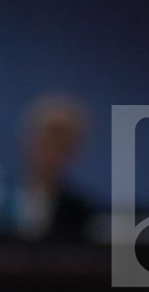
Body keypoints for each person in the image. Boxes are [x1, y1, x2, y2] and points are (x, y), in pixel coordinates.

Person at [8, 94, 92, 242]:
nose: (52, 153)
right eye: (47, 141)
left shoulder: (79, 214)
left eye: (62, 146)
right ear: (28, 140)